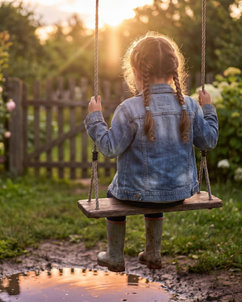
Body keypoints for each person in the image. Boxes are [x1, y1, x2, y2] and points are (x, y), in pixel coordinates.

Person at [84, 32, 219, 272]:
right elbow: (208, 141)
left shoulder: (128, 109)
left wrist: (95, 118)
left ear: (136, 71)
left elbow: (109, 148)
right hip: (178, 192)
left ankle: (114, 255)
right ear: (173, 70)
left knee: (113, 192)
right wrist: (208, 109)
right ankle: (153, 253)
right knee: (156, 187)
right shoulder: (189, 105)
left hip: (133, 194)